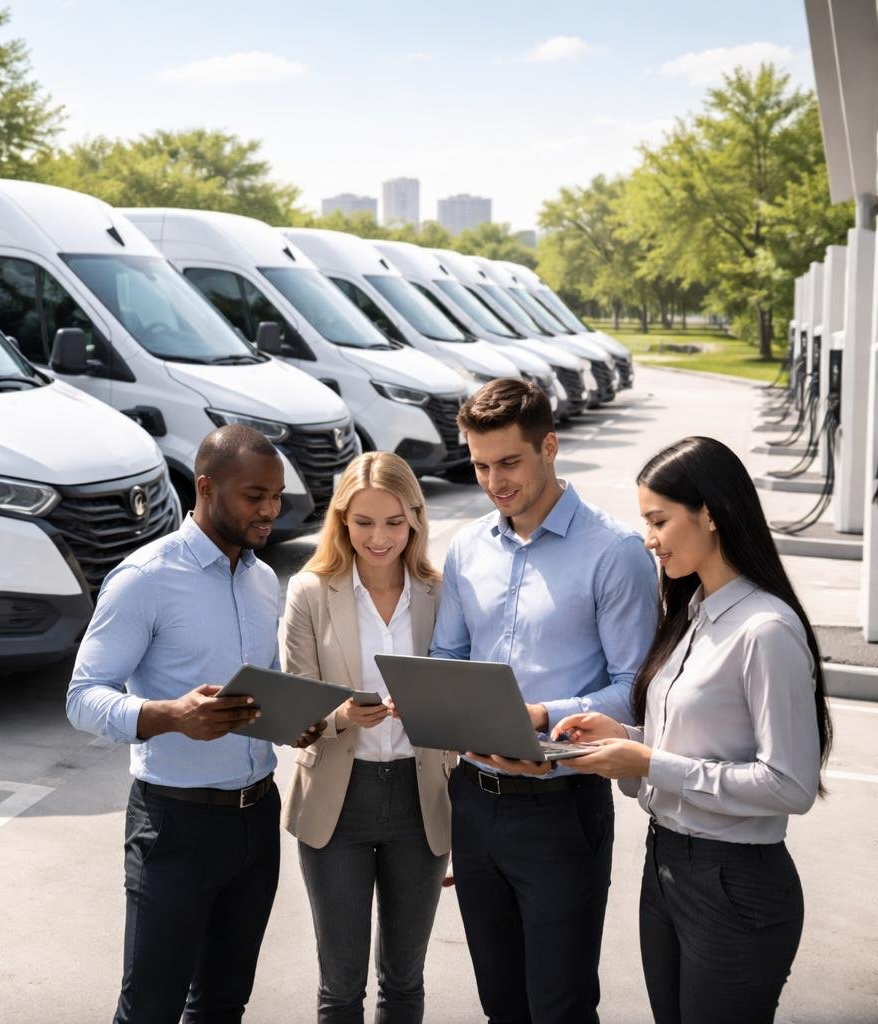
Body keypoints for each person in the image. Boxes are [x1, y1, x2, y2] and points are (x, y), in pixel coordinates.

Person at [555, 437, 831, 1024]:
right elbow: (685, 741)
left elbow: (790, 785)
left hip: (737, 884)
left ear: (708, 512)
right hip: (667, 867)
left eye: (659, 520)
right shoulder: (691, 614)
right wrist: (620, 735)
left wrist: (649, 763)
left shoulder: (765, 630)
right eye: (645, 522)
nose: (649, 539)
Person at [66, 425, 319, 1024]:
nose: (269, 510)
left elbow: (262, 687)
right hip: (174, 825)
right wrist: (168, 716)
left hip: (257, 822)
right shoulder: (144, 578)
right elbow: (82, 697)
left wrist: (292, 719)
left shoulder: (261, 578)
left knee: (224, 1004)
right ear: (206, 488)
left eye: (277, 496)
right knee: (150, 1008)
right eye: (254, 496)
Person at [430, 377, 658, 1024]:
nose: (494, 480)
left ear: (550, 446)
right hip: (474, 802)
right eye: (479, 464)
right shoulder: (468, 547)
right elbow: (448, 659)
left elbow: (636, 690)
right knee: (500, 1002)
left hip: (562, 810)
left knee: (559, 1006)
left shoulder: (614, 554)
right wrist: (458, 721)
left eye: (509, 462)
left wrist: (541, 717)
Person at [278, 451, 456, 1024]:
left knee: (404, 981)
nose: (379, 538)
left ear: (415, 520)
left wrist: (429, 709)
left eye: (394, 523)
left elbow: (464, 695)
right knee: (340, 986)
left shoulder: (439, 592)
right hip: (337, 801)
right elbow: (296, 705)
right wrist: (342, 716)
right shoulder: (309, 591)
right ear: (341, 521)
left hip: (419, 798)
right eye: (363, 523)